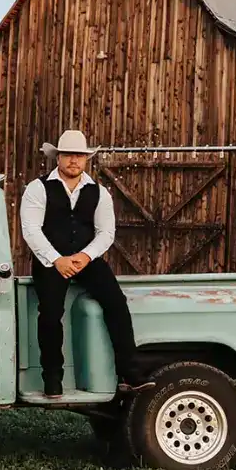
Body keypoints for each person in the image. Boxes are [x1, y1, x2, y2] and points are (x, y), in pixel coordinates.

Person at [20, 129, 153, 400]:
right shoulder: (38, 188)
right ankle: (53, 378)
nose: (74, 160)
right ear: (58, 157)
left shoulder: (99, 192)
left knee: (116, 302)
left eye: (79, 155)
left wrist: (85, 257)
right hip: (50, 260)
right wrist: (57, 260)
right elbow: (30, 229)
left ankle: (130, 372)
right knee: (49, 313)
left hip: (86, 258)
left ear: (86, 159)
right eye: (68, 155)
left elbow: (106, 232)